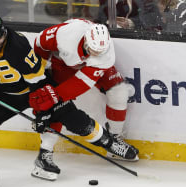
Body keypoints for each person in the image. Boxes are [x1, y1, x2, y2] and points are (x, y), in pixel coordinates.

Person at [0, 13, 138, 187]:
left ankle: (108, 142)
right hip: (5, 96)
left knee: (74, 117)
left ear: (4, 32)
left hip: (33, 91)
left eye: (0, 37)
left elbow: (38, 81)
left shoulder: (18, 45)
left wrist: (44, 110)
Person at [31, 18, 139, 161]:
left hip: (89, 68)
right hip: (62, 63)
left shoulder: (105, 55)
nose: (96, 53)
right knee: (54, 105)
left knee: (119, 92)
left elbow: (81, 83)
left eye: (99, 51)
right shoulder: (66, 34)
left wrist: (56, 94)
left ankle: (114, 139)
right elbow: (40, 42)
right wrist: (40, 71)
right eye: (93, 50)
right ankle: (45, 151)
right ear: (86, 40)